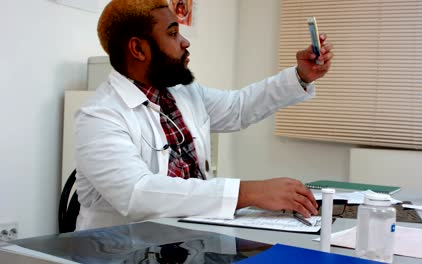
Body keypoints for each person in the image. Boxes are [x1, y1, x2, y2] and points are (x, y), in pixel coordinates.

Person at [74, 0, 334, 231]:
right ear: (138, 49)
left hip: (188, 237)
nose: (185, 42)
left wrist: (301, 76)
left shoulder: (181, 93)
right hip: (120, 251)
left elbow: (238, 108)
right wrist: (248, 192)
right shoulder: (99, 116)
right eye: (173, 34)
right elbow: (137, 194)